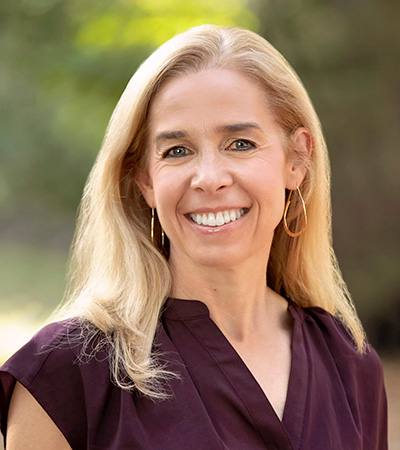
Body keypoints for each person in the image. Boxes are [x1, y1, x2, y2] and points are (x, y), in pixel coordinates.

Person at [0, 25, 387, 449]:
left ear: (296, 160)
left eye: (240, 143)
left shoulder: (350, 364)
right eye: (177, 151)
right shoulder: (67, 373)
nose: (209, 179)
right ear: (145, 179)